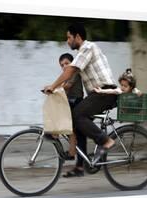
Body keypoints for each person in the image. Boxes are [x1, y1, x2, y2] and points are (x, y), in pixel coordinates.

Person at [43, 23, 118, 164]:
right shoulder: (82, 54)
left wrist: (53, 86)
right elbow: (69, 74)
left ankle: (106, 141)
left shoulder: (88, 48)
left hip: (105, 93)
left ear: (77, 37)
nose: (67, 41)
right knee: (77, 122)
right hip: (97, 95)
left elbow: (70, 71)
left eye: (69, 37)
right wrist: (55, 86)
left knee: (77, 115)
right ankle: (82, 160)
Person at [58, 53, 87, 177]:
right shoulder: (65, 74)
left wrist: (54, 89)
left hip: (77, 103)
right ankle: (72, 152)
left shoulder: (74, 72)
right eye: (62, 65)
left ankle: (75, 157)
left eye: (66, 63)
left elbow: (67, 87)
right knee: (71, 129)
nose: (64, 66)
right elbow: (61, 86)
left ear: (72, 63)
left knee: (78, 133)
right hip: (71, 103)